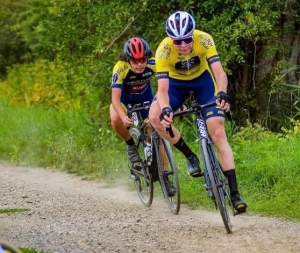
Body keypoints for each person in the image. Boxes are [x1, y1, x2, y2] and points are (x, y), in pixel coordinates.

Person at [148, 11, 247, 212]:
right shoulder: (163, 51)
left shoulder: (204, 39)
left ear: (193, 34)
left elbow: (219, 73)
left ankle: (235, 194)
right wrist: (166, 108)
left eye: (186, 39)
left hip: (203, 82)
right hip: (176, 86)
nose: (183, 45)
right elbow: (163, 90)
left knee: (218, 132)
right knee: (154, 117)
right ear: (170, 40)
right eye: (177, 42)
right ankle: (190, 155)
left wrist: (222, 93)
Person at [110, 37, 176, 196]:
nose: (140, 64)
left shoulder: (154, 63)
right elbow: (115, 99)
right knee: (115, 119)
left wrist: (176, 101)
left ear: (148, 57)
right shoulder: (120, 68)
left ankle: (165, 176)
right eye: (135, 60)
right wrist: (123, 116)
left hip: (147, 99)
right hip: (126, 101)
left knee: (156, 129)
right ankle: (131, 145)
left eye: (143, 60)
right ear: (128, 59)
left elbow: (172, 83)